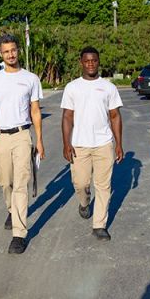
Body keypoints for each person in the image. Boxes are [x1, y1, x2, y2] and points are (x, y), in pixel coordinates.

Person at [0, 34, 45, 255]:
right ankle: (11, 209)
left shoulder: (31, 79)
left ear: (18, 51)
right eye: (6, 51)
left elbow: (35, 111)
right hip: (0, 137)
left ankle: (19, 234)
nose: (11, 54)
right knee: (5, 181)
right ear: (0, 54)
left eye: (14, 50)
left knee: (20, 183)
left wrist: (40, 140)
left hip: (22, 136)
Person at [61, 46, 123, 241]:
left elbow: (115, 116)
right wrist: (66, 143)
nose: (90, 64)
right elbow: (67, 117)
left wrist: (119, 143)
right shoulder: (72, 87)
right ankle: (84, 202)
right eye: (86, 61)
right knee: (80, 183)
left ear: (98, 62)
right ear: (81, 62)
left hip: (104, 144)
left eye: (94, 60)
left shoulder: (108, 87)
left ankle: (99, 225)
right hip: (79, 144)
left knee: (103, 186)